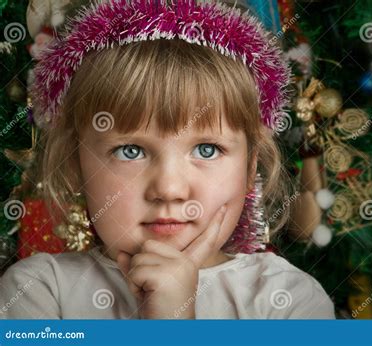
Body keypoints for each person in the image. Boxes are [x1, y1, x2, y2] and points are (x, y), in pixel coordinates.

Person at [0, 0, 335, 319]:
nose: (170, 189)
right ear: (75, 167)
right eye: (130, 151)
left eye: (207, 149)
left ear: (250, 168)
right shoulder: (39, 291)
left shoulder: (289, 299)